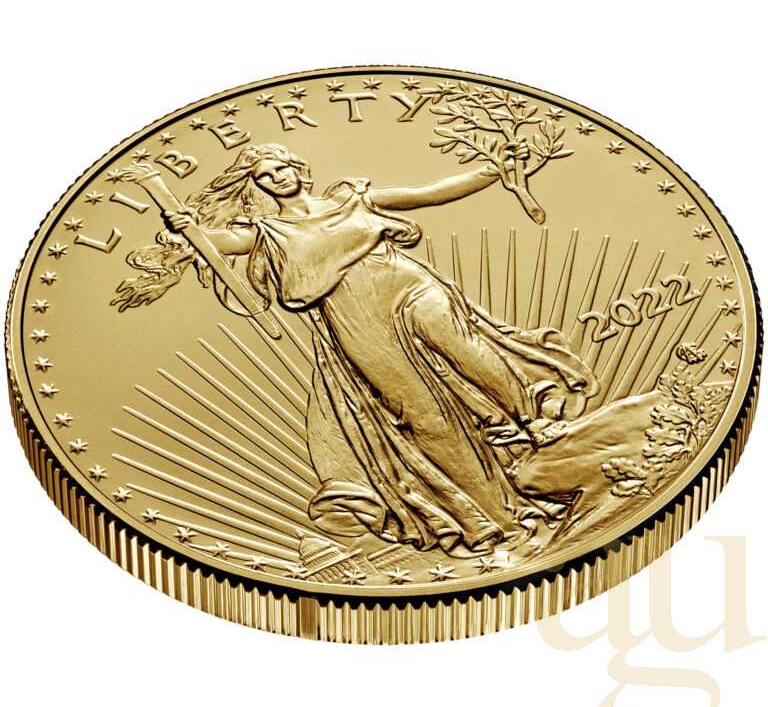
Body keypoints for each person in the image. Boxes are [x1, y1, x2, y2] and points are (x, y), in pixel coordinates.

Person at [115, 142, 599, 556]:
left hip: (406, 285)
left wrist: (492, 171)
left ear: (298, 167)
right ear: (258, 186)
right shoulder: (267, 233)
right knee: (420, 414)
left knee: (463, 346)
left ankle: (530, 421)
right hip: (354, 318)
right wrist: (184, 229)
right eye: (265, 176)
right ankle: (489, 513)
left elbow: (428, 193)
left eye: (281, 167)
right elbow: (218, 242)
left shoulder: (351, 198)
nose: (277, 178)